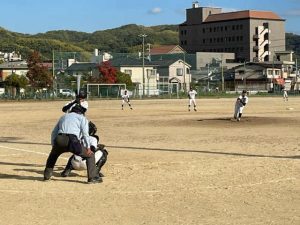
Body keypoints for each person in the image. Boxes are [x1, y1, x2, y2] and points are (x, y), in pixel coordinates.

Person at [43, 104, 102, 184]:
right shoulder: (82, 118)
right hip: (73, 141)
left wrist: (53, 144)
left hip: (60, 139)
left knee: (52, 156)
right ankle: (92, 178)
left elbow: (54, 132)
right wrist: (88, 148)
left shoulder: (63, 117)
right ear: (81, 112)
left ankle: (47, 176)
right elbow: (85, 134)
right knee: (90, 155)